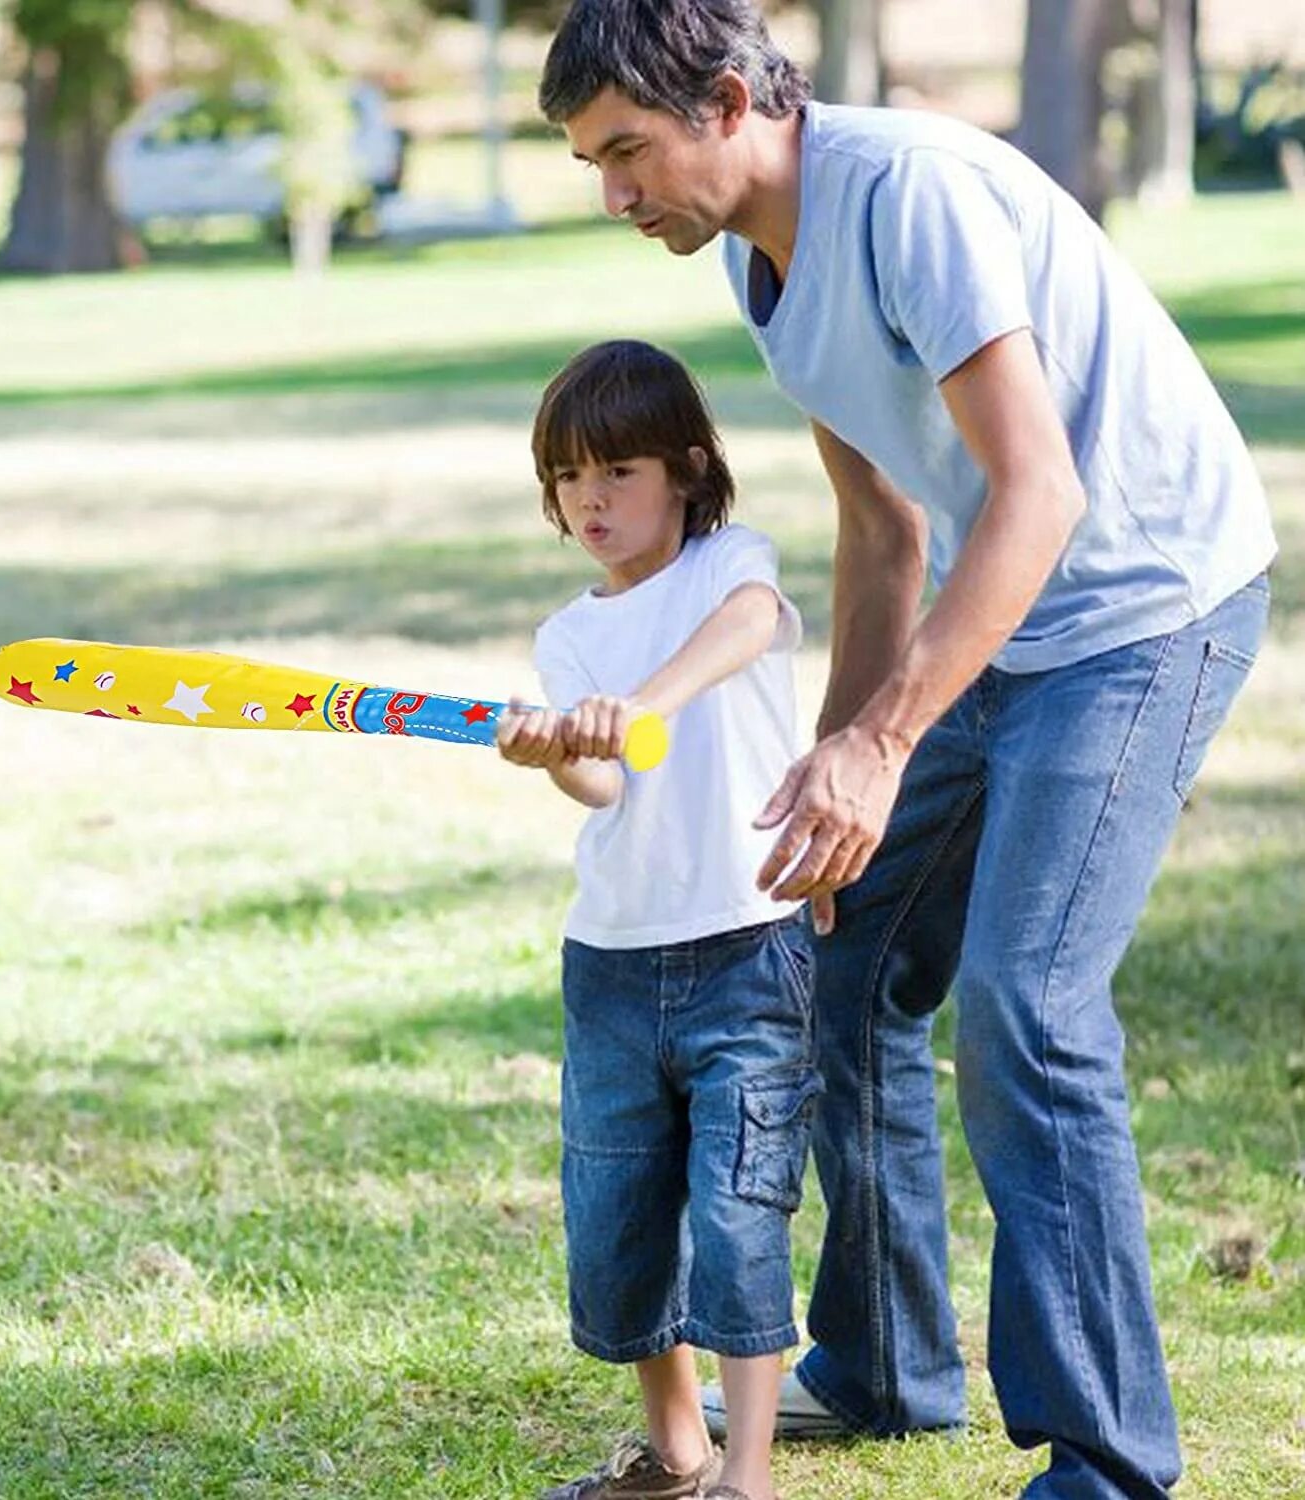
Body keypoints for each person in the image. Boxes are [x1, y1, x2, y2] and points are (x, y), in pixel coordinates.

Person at [536, 4, 1278, 1498]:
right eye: (589, 163)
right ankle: (883, 1363)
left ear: (731, 99)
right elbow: (888, 532)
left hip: (1145, 608)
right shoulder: (763, 265)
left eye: (626, 150)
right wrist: (826, 777)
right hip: (1001, 618)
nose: (612, 195)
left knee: (1028, 1003)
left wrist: (887, 738)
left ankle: (1107, 1462)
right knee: (837, 939)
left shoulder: (906, 196)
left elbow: (1041, 492)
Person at [499, 339, 813, 1500]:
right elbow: (602, 785)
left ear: (686, 470)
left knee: (740, 1209)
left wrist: (638, 708)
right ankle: (676, 1451)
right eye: (569, 476)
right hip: (616, 962)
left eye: (619, 470)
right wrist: (555, 755)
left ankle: (749, 1474)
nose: (591, 497)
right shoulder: (569, 636)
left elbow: (747, 628)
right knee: (622, 1212)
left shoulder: (731, 564)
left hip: (748, 944)